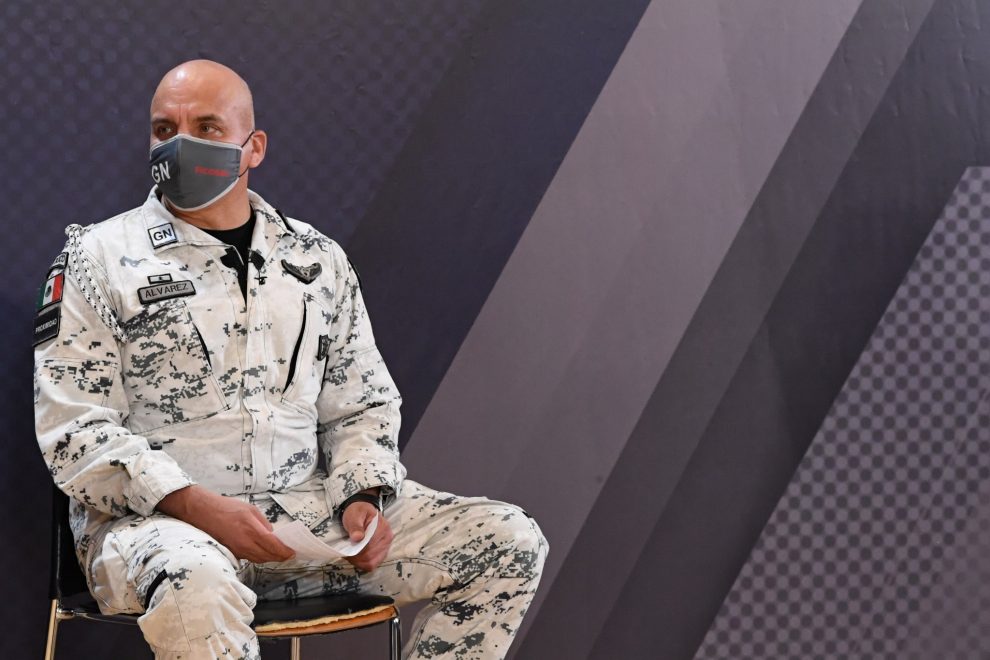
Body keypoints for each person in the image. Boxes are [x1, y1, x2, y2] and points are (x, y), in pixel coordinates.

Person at [33, 59, 547, 660]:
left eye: (206, 127)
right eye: (165, 129)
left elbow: (363, 405)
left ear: (253, 148)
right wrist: (196, 504)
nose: (180, 144)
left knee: (506, 540)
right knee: (195, 581)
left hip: (306, 522)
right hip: (161, 532)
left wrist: (361, 498)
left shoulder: (317, 260)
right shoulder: (96, 259)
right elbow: (75, 429)